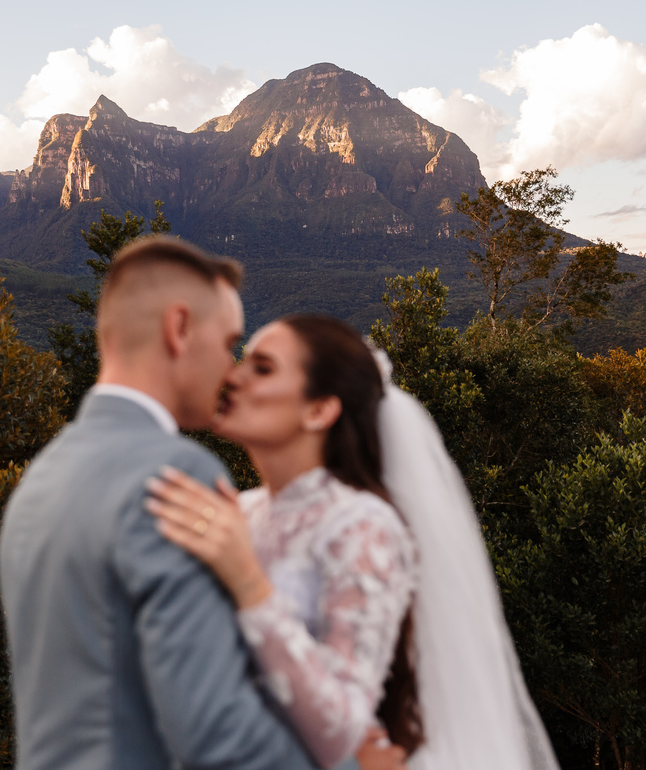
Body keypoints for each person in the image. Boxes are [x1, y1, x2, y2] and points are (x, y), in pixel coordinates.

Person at [0, 239, 397, 770]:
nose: (230, 371)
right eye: (230, 341)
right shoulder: (177, 476)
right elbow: (216, 736)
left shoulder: (40, 478)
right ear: (179, 328)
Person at [147, 314, 561, 770]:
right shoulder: (237, 512)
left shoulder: (362, 527)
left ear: (319, 410)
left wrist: (247, 582)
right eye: (242, 361)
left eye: (262, 368)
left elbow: (342, 723)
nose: (233, 376)